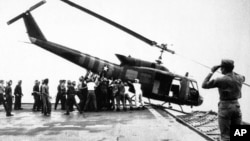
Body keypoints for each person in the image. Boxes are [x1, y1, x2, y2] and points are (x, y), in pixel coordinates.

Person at [202, 59, 245, 141]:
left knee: (225, 136)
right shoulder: (240, 78)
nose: (220, 69)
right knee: (238, 134)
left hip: (225, 107)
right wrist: (232, 71)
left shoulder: (220, 80)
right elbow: (243, 77)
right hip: (236, 107)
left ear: (224, 68)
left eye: (221, 68)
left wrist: (212, 71)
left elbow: (204, 85)